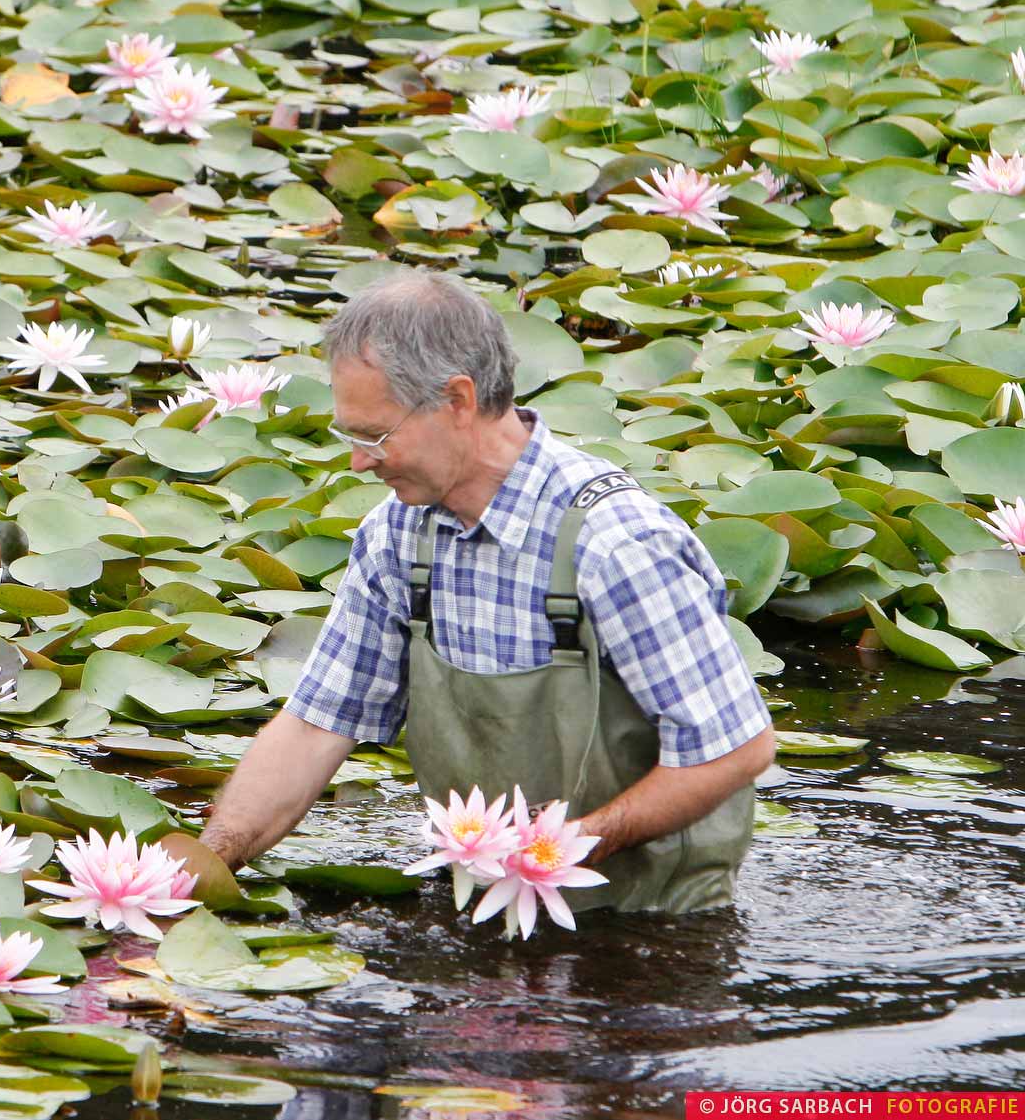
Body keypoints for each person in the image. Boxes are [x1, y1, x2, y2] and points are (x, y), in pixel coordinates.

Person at [201, 270, 776, 914]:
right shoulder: (395, 536)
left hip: (655, 918)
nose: (358, 462)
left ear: (457, 399)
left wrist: (565, 847)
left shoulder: (616, 544)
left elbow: (737, 749)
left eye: (374, 436)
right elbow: (313, 728)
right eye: (350, 437)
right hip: (488, 891)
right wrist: (205, 864)